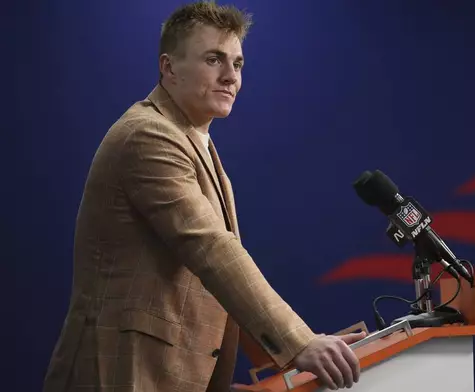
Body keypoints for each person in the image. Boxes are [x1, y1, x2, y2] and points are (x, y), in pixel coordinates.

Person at [42, 2, 365, 391]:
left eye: (238, 63)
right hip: (122, 373)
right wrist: (300, 343)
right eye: (214, 59)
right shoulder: (148, 135)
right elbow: (211, 249)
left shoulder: (191, 137)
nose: (231, 77)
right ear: (169, 68)